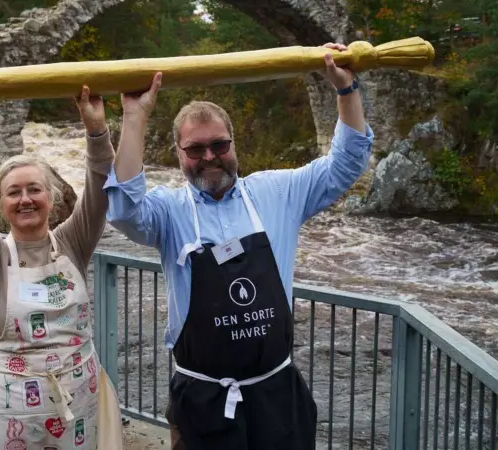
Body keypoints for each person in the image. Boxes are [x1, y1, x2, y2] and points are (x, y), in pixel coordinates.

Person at [103, 42, 374, 449]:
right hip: (204, 401)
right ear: (178, 153)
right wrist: (134, 116)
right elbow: (123, 207)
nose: (209, 156)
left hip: (277, 396)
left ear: (234, 143)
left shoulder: (278, 192)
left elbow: (347, 162)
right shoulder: (169, 212)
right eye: (195, 149)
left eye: (219, 145)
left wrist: (346, 90)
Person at [0, 86, 124, 449]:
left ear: (51, 197)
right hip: (12, 416)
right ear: (0, 204)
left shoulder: (73, 241)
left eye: (34, 190)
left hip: (78, 406)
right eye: (14, 192)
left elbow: (101, 184)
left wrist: (96, 130)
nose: (25, 199)